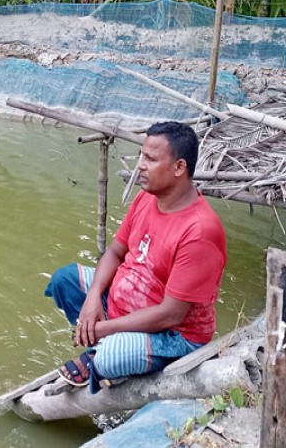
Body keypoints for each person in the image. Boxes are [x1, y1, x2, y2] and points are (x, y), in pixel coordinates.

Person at [44, 121, 227, 392]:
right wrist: (94, 298)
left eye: (151, 159)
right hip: (126, 307)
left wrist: (105, 329)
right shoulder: (146, 198)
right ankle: (106, 347)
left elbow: (171, 315)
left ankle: (105, 353)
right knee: (64, 280)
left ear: (179, 167)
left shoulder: (200, 231)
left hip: (174, 334)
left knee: (109, 358)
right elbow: (116, 252)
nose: (140, 164)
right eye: (142, 155)